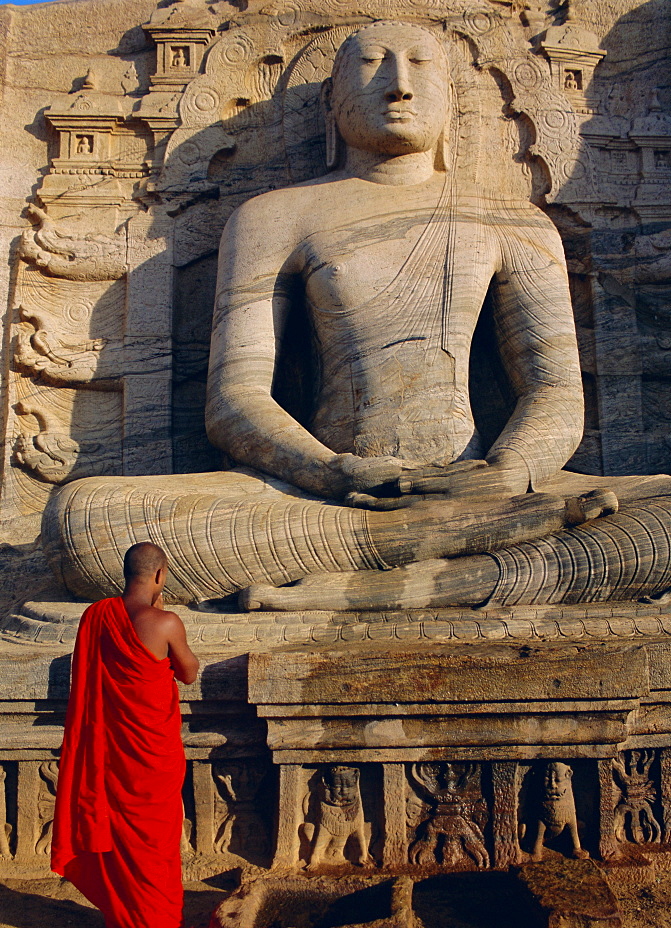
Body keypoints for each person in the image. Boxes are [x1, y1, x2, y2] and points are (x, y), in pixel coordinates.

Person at [42, 21, 671, 610]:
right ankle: (454, 559)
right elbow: (235, 401)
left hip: (484, 482)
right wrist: (333, 471)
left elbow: (555, 391)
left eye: (420, 66)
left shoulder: (513, 223)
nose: (398, 84)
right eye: (371, 66)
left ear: (451, 101)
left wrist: (507, 476)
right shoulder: (273, 217)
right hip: (326, 494)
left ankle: (394, 572)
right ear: (331, 107)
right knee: (83, 518)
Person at [51, 542, 199, 928]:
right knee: (153, 840)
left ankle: (120, 923)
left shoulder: (96, 616)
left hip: (106, 752)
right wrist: (164, 617)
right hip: (150, 756)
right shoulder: (165, 623)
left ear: (125, 573)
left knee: (114, 833)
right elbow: (188, 673)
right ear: (159, 575)